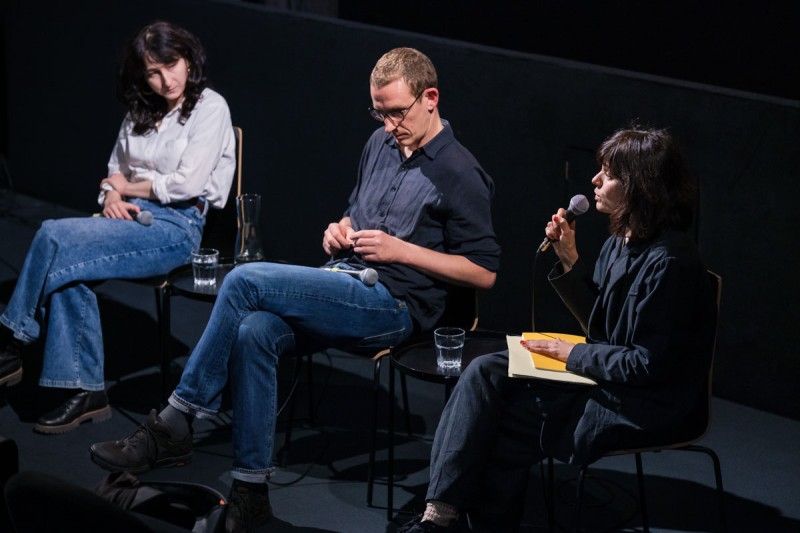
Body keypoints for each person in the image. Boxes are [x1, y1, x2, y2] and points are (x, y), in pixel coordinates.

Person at [89, 47, 501, 532]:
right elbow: (356, 211)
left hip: (394, 305)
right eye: (379, 112)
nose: (388, 124)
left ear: (430, 98)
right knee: (256, 332)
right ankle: (250, 491)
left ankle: (176, 421)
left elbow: (484, 271)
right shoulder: (379, 144)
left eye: (396, 112)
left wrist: (401, 251)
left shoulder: (460, 171)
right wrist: (340, 228)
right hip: (344, 280)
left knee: (243, 280)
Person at [397, 126, 717, 533]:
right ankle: (440, 515)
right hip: (607, 374)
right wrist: (570, 261)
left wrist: (571, 354)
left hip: (643, 401)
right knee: (485, 371)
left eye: (609, 174)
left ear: (641, 187)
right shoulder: (623, 240)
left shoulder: (670, 263)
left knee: (501, 428)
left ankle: (443, 519)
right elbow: (600, 326)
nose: (595, 181)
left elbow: (647, 365)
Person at [0, 21, 235, 434]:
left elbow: (187, 184)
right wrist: (112, 193)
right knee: (70, 275)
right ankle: (84, 392)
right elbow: (114, 170)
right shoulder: (140, 110)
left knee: (54, 233)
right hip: (127, 215)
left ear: (188, 58)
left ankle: (12, 340)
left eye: (172, 65)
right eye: (152, 72)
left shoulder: (209, 106)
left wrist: (130, 185)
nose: (166, 80)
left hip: (177, 226)